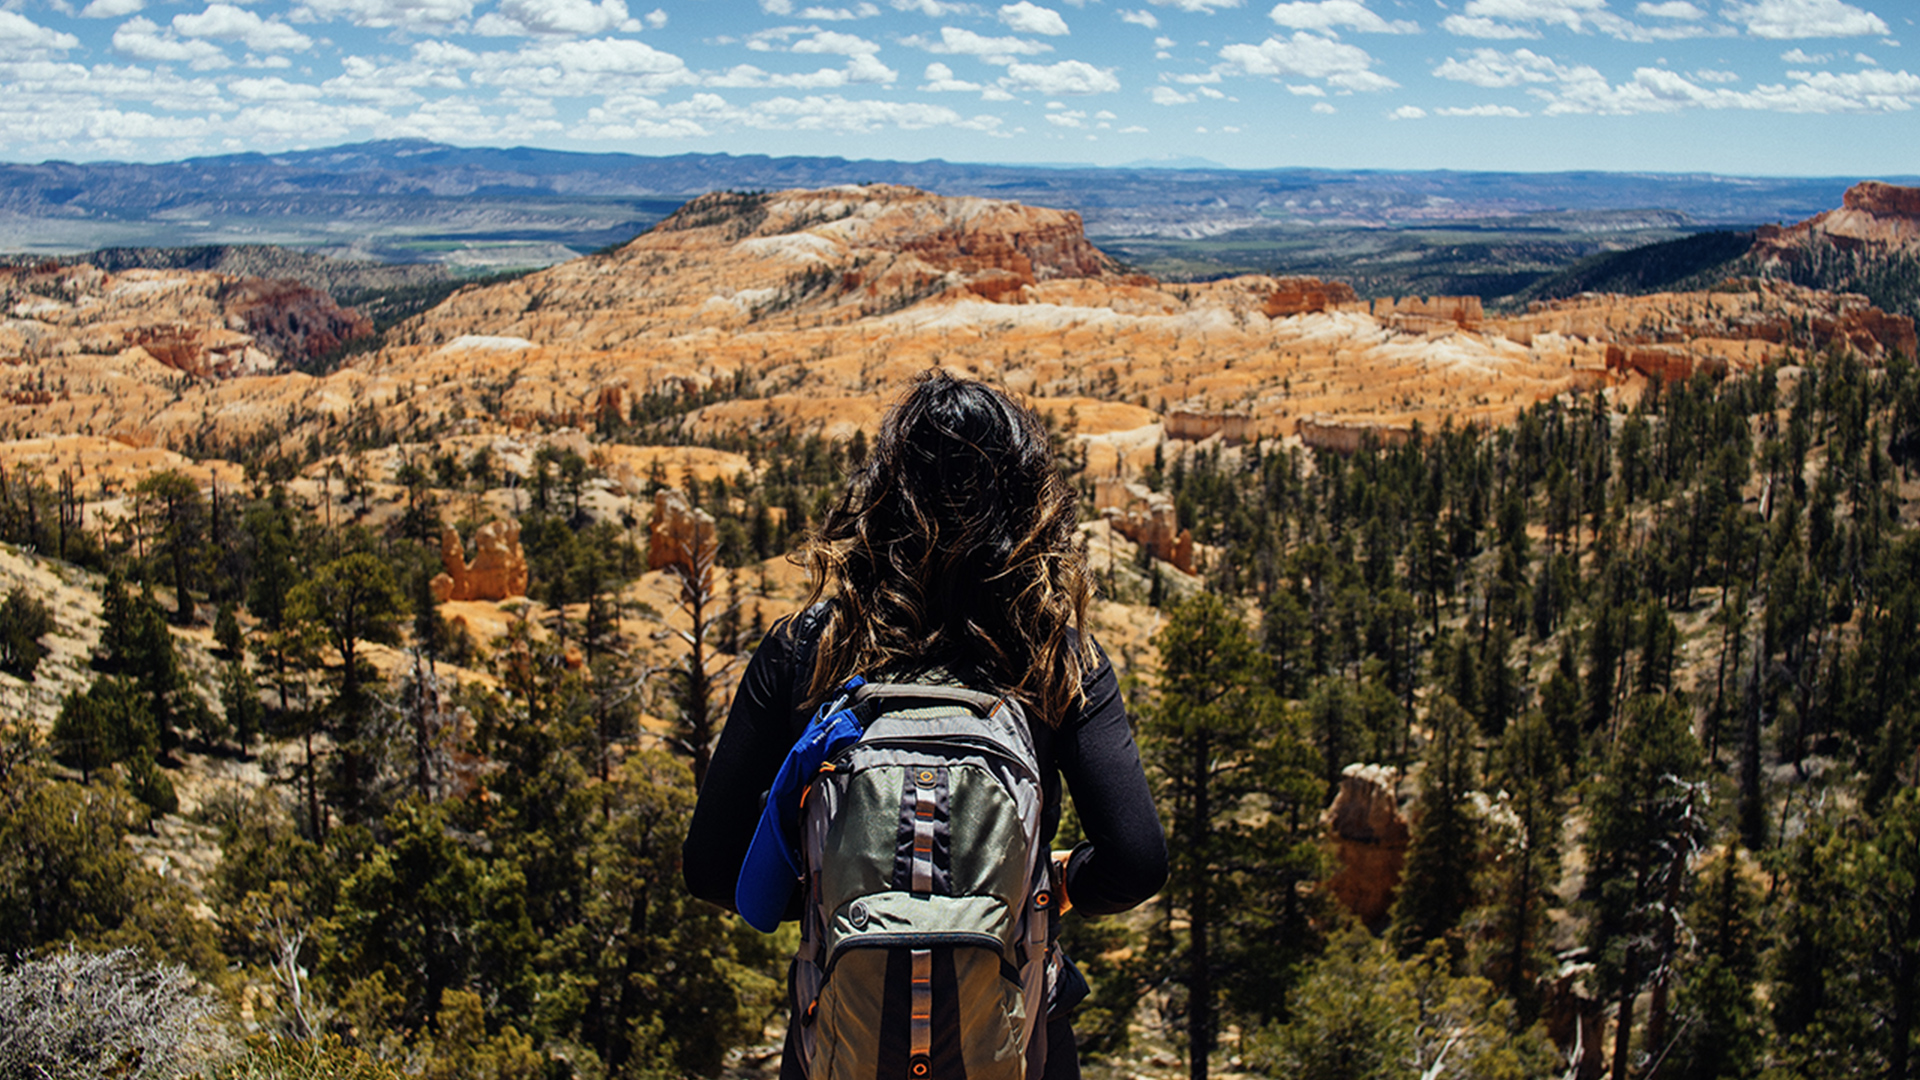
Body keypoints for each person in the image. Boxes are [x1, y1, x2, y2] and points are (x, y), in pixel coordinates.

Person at [683, 371, 1167, 1080]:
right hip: (1014, 1037)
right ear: (1027, 500)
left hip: (842, 1038)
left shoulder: (805, 648)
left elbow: (709, 866)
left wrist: (840, 889)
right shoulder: (1052, 655)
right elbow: (1137, 862)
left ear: (881, 496)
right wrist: (1051, 882)